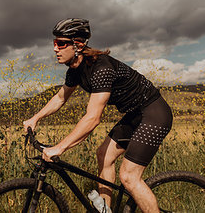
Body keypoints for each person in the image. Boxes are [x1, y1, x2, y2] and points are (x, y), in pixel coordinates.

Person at [23, 18, 172, 213]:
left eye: (61, 43)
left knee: (128, 177)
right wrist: (35, 118)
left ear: (78, 44)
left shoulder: (101, 68)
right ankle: (105, 211)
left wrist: (59, 148)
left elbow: (93, 118)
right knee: (103, 154)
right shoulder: (75, 70)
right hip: (135, 115)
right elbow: (60, 98)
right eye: (54, 43)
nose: (55, 49)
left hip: (154, 114)